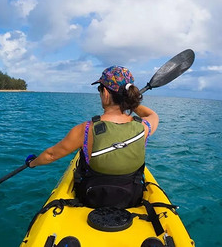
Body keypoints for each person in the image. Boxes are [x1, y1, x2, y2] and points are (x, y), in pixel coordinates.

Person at [25, 66, 159, 209]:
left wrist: (32, 163)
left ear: (106, 93)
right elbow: (152, 115)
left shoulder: (86, 129)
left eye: (100, 90)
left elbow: (50, 155)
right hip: (131, 199)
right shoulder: (144, 127)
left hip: (92, 199)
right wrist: (131, 103)